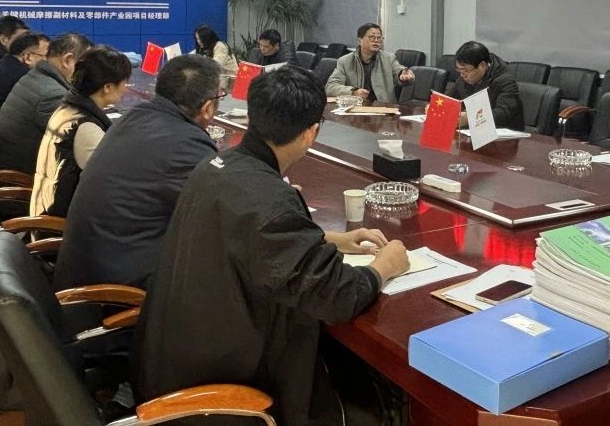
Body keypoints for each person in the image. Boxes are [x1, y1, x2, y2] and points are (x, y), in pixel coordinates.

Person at [133, 67, 410, 426]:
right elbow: (338, 296)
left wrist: (330, 239)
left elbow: (246, 235)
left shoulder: (218, 166)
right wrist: (385, 266)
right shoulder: (269, 200)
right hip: (218, 393)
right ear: (311, 133)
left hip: (172, 361)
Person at [53, 55, 222, 291]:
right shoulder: (189, 144)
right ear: (208, 108)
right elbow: (220, 214)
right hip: (112, 292)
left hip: (81, 269)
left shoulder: (135, 116)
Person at [30, 47, 131, 218]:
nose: (126, 88)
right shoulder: (86, 127)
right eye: (124, 82)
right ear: (107, 87)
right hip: (59, 224)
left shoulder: (69, 108)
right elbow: (112, 183)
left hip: (48, 208)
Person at [0, 32, 91, 173]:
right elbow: (80, 142)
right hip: (19, 181)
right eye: (85, 67)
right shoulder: (53, 94)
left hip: (5, 170)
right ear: (67, 60)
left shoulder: (35, 76)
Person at [325, 23, 414, 103]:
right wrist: (354, 91)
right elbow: (330, 87)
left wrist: (404, 77)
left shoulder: (388, 58)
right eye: (372, 37)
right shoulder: (345, 61)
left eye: (379, 38)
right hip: (356, 108)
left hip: (383, 107)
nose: (376, 40)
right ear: (360, 41)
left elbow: (399, 71)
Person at [449, 40, 524, 130]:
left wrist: (470, 118)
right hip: (475, 132)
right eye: (459, 71)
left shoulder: (505, 81)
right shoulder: (464, 78)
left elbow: (502, 113)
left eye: (466, 71)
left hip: (502, 133)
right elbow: (451, 100)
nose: (462, 75)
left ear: (482, 65)